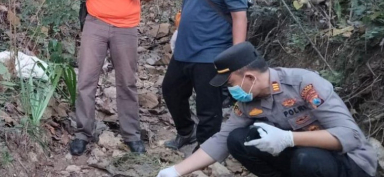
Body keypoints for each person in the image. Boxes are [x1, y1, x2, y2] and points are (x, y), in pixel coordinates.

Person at [156, 42, 377, 177]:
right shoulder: (247, 100)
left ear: (250, 77)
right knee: (237, 139)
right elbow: (221, 140)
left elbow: (351, 135)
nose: (229, 90)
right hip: (304, 162)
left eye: (230, 83)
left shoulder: (303, 84)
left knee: (306, 159)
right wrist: (176, 171)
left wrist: (289, 138)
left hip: (349, 164)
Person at [68, 0, 153, 156]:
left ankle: (131, 135)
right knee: (86, 79)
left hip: (126, 26)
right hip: (95, 23)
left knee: (126, 82)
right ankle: (83, 133)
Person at [162, 0, 248, 150]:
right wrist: (179, 30)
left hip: (211, 50)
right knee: (171, 90)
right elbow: (191, 3)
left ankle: (207, 149)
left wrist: (235, 58)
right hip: (185, 48)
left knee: (208, 104)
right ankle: (186, 132)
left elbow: (239, 16)